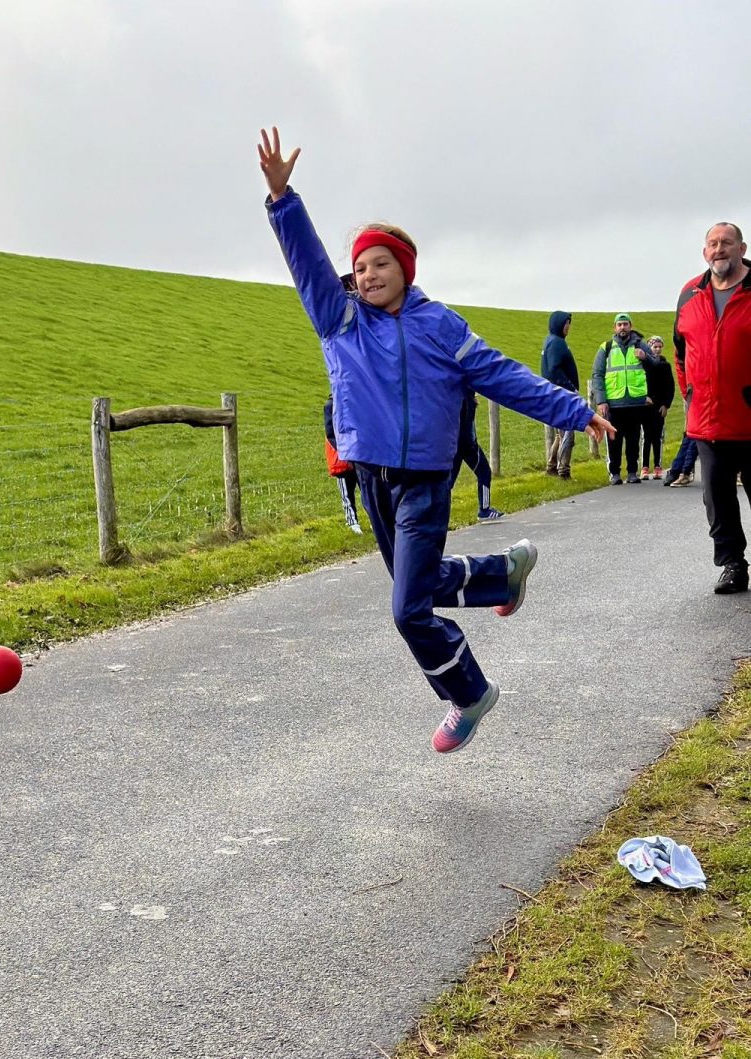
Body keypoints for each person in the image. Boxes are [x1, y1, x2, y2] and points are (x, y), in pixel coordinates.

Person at [257, 127, 613, 753]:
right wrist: (283, 199)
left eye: (380, 263)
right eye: (360, 267)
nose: (368, 275)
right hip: (372, 477)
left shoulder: (440, 325)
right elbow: (308, 265)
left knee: (408, 610)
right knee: (414, 584)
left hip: (424, 479)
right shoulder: (341, 322)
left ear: (405, 268)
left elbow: (502, 374)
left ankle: (469, 694)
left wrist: (573, 410)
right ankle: (501, 575)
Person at [674, 222, 751, 594]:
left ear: (742, 249)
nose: (719, 249)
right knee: (718, 499)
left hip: (749, 417)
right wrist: (690, 395)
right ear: (705, 251)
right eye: (712, 243)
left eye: (727, 243)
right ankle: (733, 564)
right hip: (708, 421)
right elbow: (680, 353)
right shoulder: (690, 293)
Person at [591, 314, 660, 485]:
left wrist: (645, 357)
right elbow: (597, 375)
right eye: (619, 324)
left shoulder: (640, 345)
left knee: (633, 440)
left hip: (635, 402)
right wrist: (601, 401)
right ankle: (614, 473)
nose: (622, 327)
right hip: (614, 403)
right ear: (615, 327)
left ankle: (632, 472)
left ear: (631, 326)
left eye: (625, 324)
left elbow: (655, 365)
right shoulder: (606, 348)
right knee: (613, 439)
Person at [451, 389, 504, 521]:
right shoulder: (466, 399)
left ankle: (436, 515)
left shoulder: (457, 397)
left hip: (454, 444)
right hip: (467, 445)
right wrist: (471, 444)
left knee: (447, 483)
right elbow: (466, 426)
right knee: (484, 472)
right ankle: (484, 510)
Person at [540, 311, 580, 479]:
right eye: (566, 323)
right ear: (558, 324)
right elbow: (554, 370)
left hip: (553, 394)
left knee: (560, 434)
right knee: (568, 434)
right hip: (561, 395)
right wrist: (571, 388)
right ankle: (564, 470)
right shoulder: (557, 343)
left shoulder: (550, 340)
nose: (568, 327)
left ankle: (551, 466)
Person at [324, 396, 362, 533]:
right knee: (346, 492)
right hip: (341, 457)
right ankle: (352, 522)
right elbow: (330, 433)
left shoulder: (352, 401)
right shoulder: (331, 405)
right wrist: (344, 452)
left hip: (358, 454)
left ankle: (374, 520)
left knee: (366, 491)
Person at [640, 335, 675, 479]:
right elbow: (639, 383)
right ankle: (644, 467)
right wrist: (642, 398)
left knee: (658, 437)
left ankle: (658, 466)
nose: (658, 349)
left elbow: (670, 387)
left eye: (660, 347)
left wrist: (666, 405)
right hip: (645, 406)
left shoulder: (665, 366)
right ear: (649, 347)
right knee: (646, 437)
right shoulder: (643, 365)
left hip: (659, 407)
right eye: (655, 347)